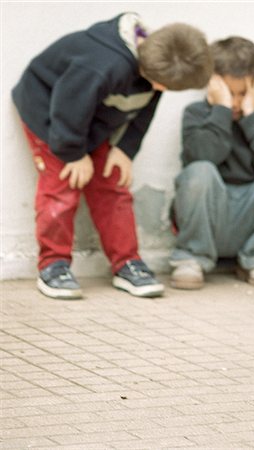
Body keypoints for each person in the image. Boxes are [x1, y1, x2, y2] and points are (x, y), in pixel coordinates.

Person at [12, 12, 213, 300]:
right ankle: (53, 265)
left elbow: (144, 109)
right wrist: (73, 154)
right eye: (163, 86)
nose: (161, 91)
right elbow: (68, 105)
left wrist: (125, 150)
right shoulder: (103, 66)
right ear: (149, 67)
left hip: (89, 120)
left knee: (112, 184)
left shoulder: (158, 67)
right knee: (61, 186)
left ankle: (127, 262)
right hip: (51, 116)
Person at [169, 36, 254, 290]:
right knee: (200, 171)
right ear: (212, 84)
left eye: (242, 93)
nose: (234, 102)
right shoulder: (196, 115)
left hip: (248, 217)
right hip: (209, 218)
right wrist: (220, 110)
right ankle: (192, 257)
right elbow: (203, 155)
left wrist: (252, 114)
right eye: (228, 93)